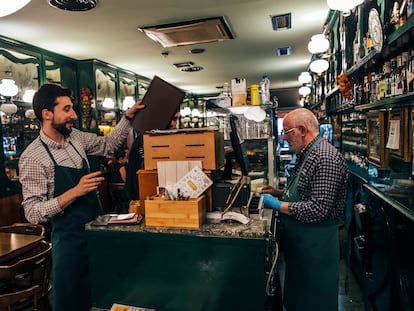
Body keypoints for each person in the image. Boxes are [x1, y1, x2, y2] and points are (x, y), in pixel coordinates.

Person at [18, 83, 144, 311]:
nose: (73, 115)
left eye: (73, 108)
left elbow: (108, 144)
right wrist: (75, 192)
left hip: (96, 236)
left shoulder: (76, 138)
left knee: (101, 297)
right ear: (47, 114)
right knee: (72, 302)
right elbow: (33, 213)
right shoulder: (33, 157)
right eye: (67, 109)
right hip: (68, 244)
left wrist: (128, 118)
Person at [260, 108, 348, 311]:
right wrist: (279, 192)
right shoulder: (307, 153)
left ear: (302, 129)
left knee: (314, 301)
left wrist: (276, 205)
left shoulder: (325, 157)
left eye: (287, 132)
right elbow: (305, 190)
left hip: (317, 243)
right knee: (299, 299)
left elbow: (318, 208)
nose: (285, 137)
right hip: (303, 243)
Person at [124, 111, 179, 202]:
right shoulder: (146, 140)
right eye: (170, 119)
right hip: (145, 198)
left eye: (175, 119)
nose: (172, 123)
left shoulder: (168, 138)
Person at [108, 147, 130, 212]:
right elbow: (125, 180)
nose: (126, 160)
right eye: (126, 158)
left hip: (113, 192)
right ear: (120, 158)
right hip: (121, 193)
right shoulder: (121, 167)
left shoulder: (112, 166)